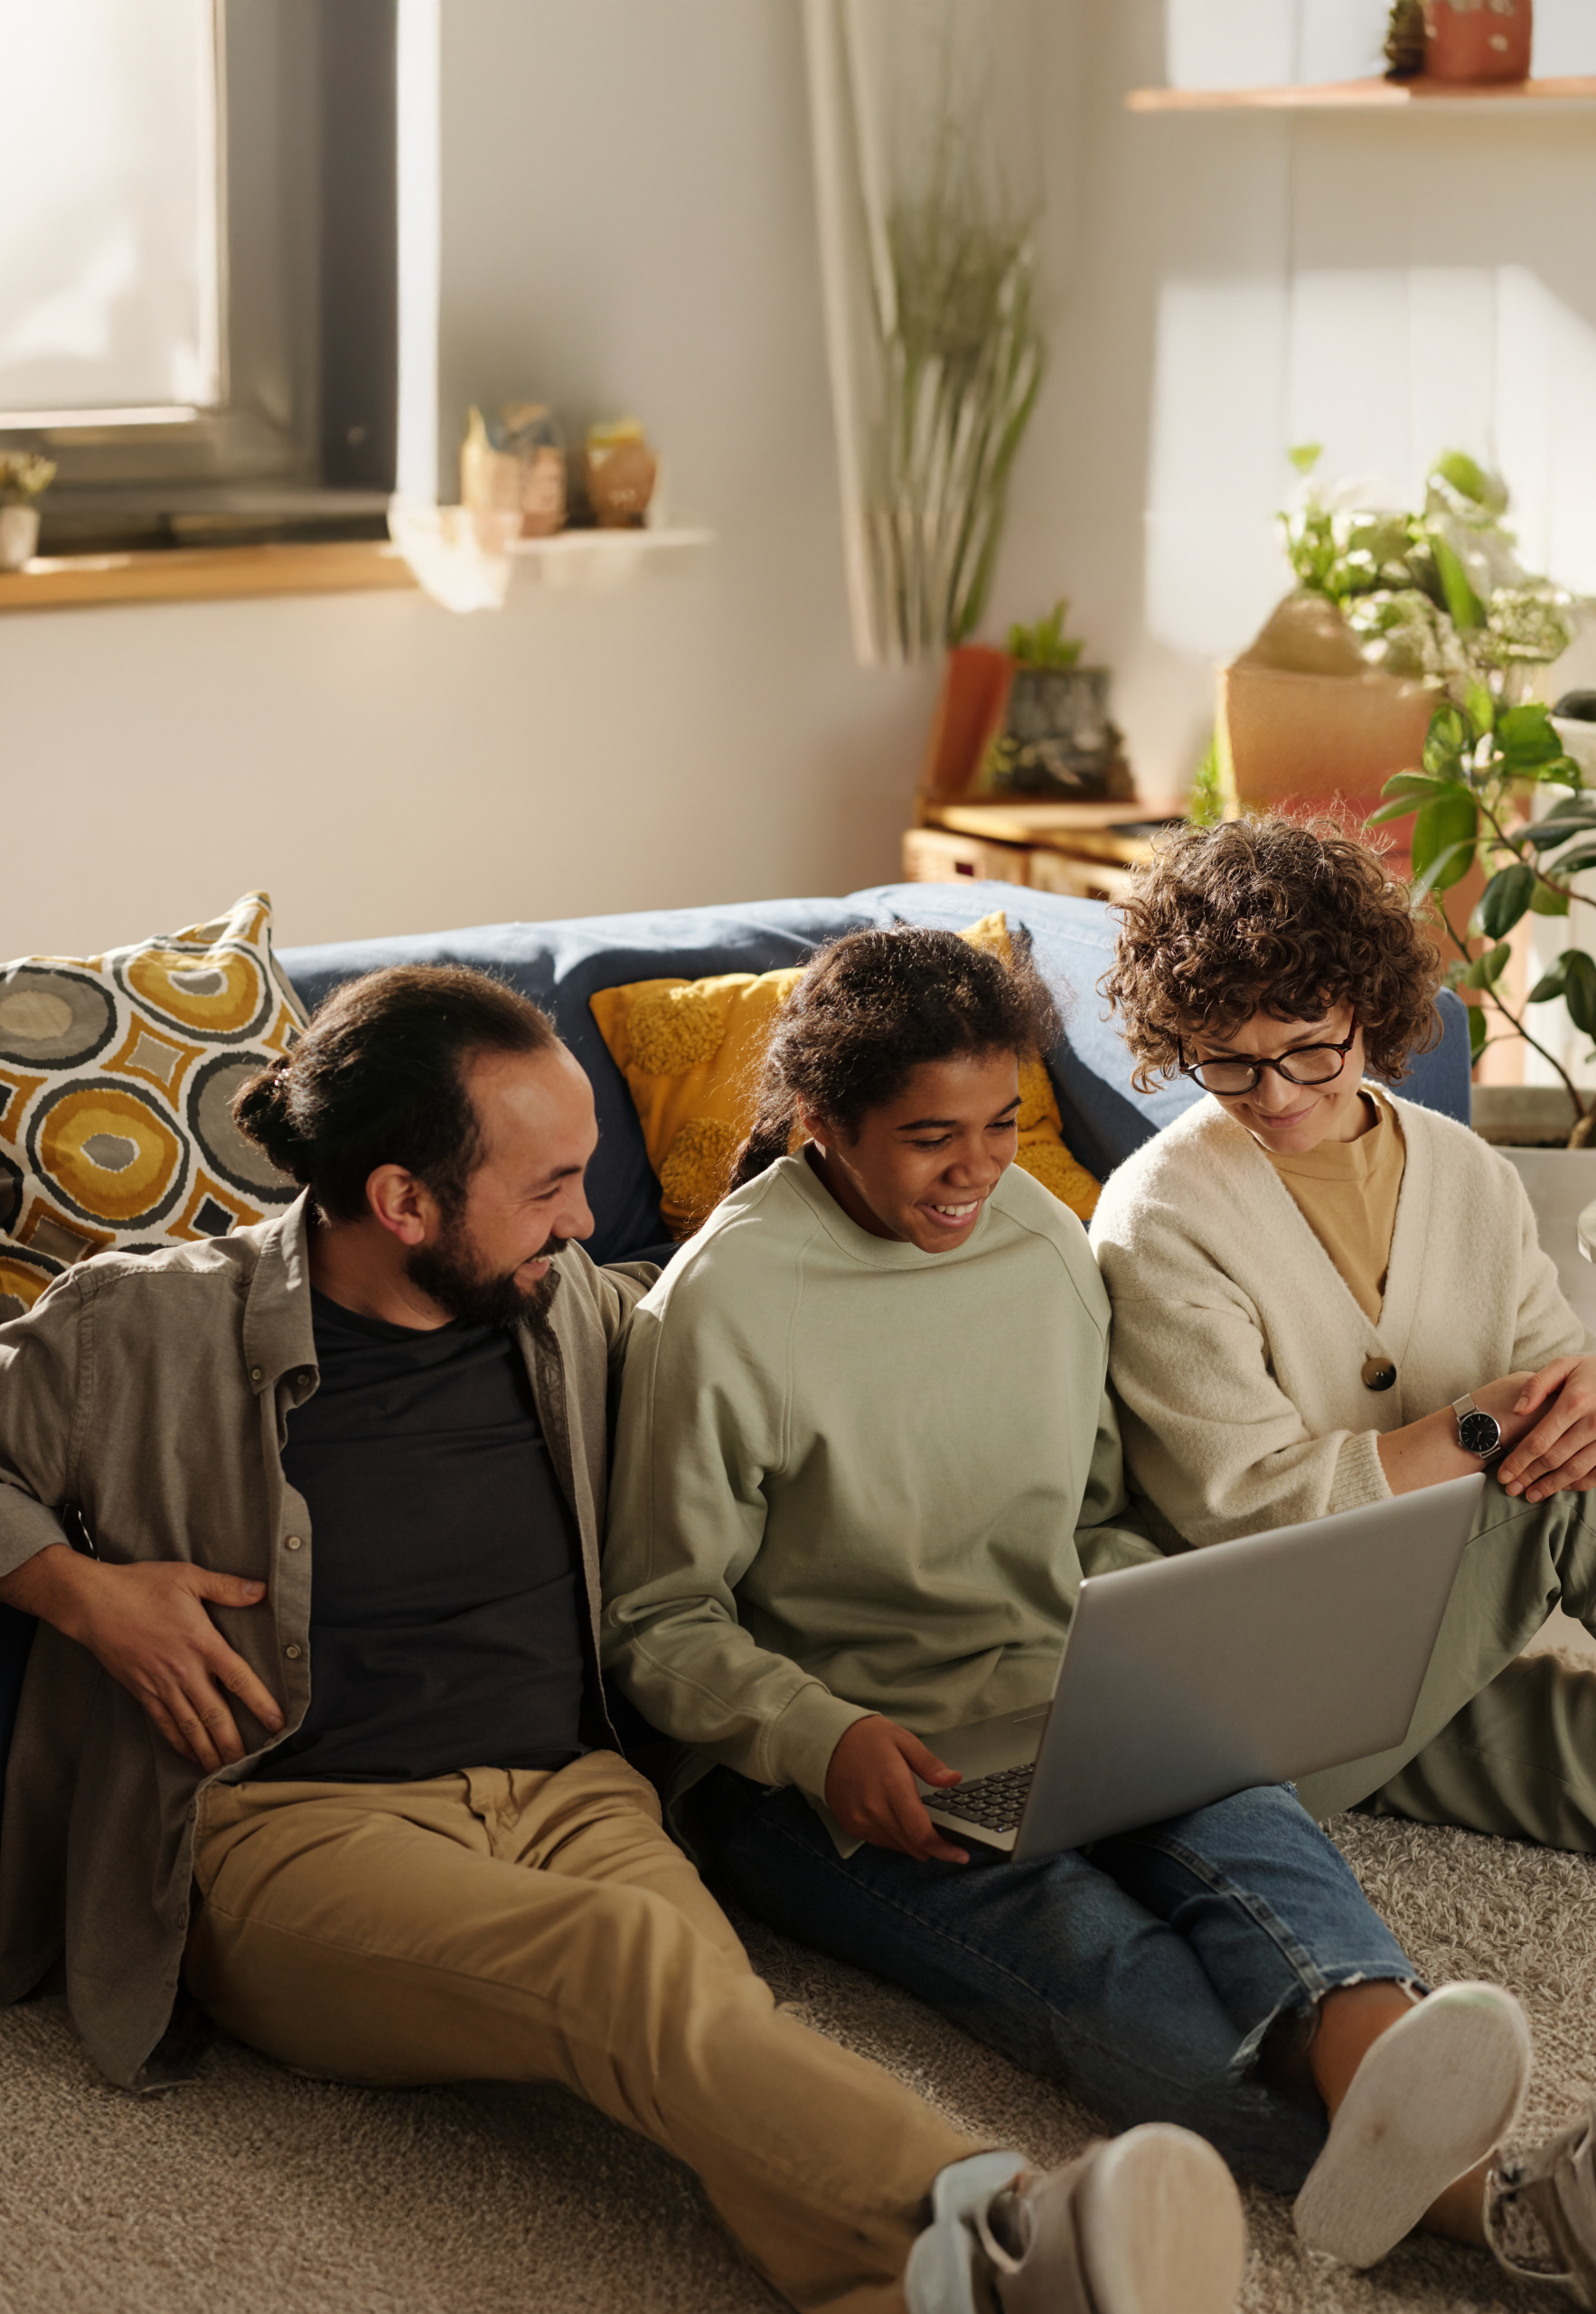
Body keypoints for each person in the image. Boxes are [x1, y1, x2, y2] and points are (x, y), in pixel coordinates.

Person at [0, 962, 1243, 2314]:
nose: (584, 1220)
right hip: (293, 1826)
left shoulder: (574, 1316)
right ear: (402, 1200)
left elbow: (776, 1340)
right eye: (545, 1190)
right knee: (626, 1967)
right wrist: (75, 1587)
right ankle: (1005, 2210)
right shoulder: (150, 1328)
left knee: (709, 2035)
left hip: (574, 1797)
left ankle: (934, 2291)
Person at [600, 923, 1593, 2299]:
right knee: (1097, 1964)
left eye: (1003, 1124)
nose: (976, 1170)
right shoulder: (721, 1308)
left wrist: (1166, 1641)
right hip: (838, 1770)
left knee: (1263, 1846)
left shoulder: (1040, 1241)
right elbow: (659, 1616)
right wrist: (818, 1736)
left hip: (1064, 1681)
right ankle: (1497, 2207)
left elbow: (1096, 1515)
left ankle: (1383, 2040)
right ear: (821, 1126)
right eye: (927, 1138)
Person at [1091, 813, 1596, 1861]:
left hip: (1427, 1643)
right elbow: (1247, 1508)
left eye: (1307, 1052)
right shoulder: (1159, 1216)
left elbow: (1556, 1381)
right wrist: (1473, 1432)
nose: (1271, 1095)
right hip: (1262, 1669)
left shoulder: (1466, 1173)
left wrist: (1571, 1396)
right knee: (1565, 1491)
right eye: (1225, 1064)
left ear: (1368, 1012)